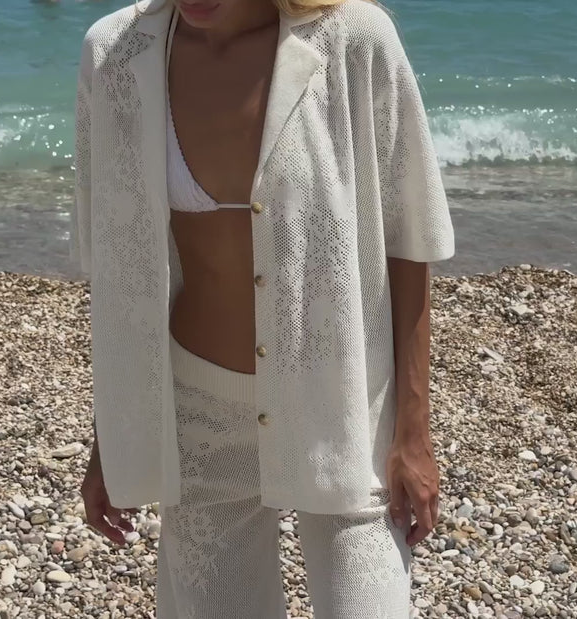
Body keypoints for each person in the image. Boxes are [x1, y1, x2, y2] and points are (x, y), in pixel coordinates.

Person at [71, 0, 455, 615]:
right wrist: (112, 444)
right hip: (199, 418)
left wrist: (414, 433)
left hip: (343, 407)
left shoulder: (354, 39)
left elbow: (410, 239)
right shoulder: (116, 53)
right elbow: (121, 275)